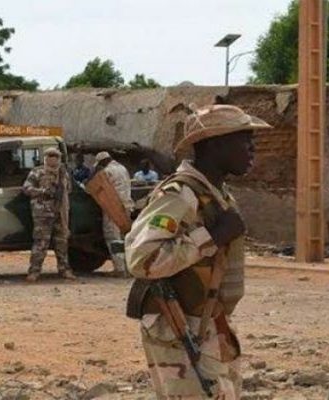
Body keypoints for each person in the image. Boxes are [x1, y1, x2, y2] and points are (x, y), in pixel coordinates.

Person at [124, 104, 272, 399]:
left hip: (209, 322)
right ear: (215, 144)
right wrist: (212, 237)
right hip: (179, 326)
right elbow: (142, 260)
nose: (252, 149)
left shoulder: (215, 195)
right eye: (244, 140)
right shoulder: (181, 195)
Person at [22, 148, 76, 282]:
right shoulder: (37, 172)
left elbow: (68, 190)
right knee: (41, 243)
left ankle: (64, 270)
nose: (53, 159)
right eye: (50, 156)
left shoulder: (63, 173)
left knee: (62, 243)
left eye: (55, 156)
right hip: (43, 213)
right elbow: (26, 189)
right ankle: (34, 271)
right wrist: (42, 191)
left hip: (60, 213)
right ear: (45, 158)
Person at [93, 151, 134, 278]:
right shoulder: (122, 168)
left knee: (112, 237)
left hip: (113, 207)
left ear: (103, 161)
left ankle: (120, 269)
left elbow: (99, 187)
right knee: (124, 237)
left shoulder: (107, 172)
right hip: (126, 205)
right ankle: (128, 268)